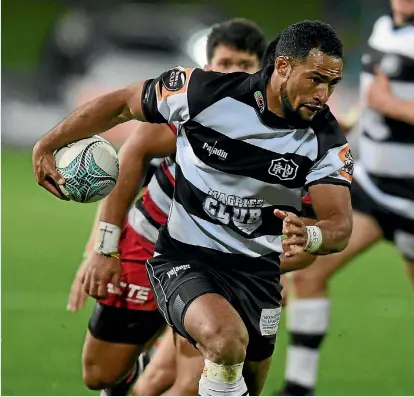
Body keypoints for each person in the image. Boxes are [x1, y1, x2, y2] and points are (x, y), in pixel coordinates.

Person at [33, 20, 354, 396]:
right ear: (282, 66)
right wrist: (48, 145)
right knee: (223, 341)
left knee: (243, 383)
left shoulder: (326, 141)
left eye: (332, 84)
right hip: (185, 259)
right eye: (316, 79)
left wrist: (312, 235)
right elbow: (122, 104)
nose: (324, 93)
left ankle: (150, 368)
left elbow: (340, 224)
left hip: (257, 276)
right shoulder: (204, 94)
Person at [64, 18, 267, 396]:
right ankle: (144, 362)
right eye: (224, 63)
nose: (233, 73)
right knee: (100, 374)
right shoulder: (190, 109)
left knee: (199, 376)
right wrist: (100, 248)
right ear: (208, 67)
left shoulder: (274, 127)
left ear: (262, 70)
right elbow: (132, 155)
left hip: (212, 262)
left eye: (244, 64)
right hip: (146, 242)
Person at [277, 2, 414, 396]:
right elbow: (374, 93)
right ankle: (299, 387)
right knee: (308, 271)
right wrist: (359, 114)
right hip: (374, 189)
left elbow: (386, 97)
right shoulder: (385, 27)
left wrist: (393, 105)